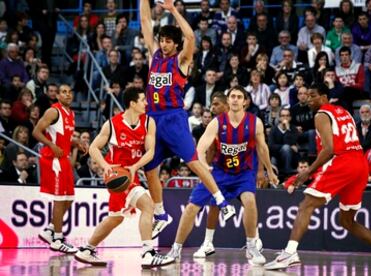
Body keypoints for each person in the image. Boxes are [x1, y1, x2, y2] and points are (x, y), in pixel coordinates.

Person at [264, 83, 371, 272]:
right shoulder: (344, 112)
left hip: (343, 162)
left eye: (313, 95)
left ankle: (289, 253)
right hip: (359, 164)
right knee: (346, 221)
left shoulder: (321, 114)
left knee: (306, 205)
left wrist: (307, 172)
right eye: (307, 96)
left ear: (324, 97)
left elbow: (329, 150)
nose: (309, 99)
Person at [140, 0, 235, 239]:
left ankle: (221, 200)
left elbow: (191, 38)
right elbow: (144, 22)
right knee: (150, 168)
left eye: (168, 41)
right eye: (161, 40)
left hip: (173, 118)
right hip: (152, 119)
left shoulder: (181, 61)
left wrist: (173, 10)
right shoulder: (154, 57)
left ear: (175, 44)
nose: (162, 44)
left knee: (193, 161)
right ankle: (161, 214)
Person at [166, 86, 278, 265]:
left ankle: (252, 246)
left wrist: (269, 172)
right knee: (191, 207)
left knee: (249, 201)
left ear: (245, 101)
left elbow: (262, 148)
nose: (235, 99)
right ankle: (175, 249)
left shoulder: (255, 122)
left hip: (243, 172)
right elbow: (200, 148)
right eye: (232, 96)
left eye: (238, 97)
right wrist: (203, 166)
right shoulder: (217, 122)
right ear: (229, 100)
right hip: (219, 172)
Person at [74, 87, 174, 268]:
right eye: (143, 100)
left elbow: (150, 151)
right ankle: (147, 253)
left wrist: (136, 166)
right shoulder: (112, 124)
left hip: (131, 173)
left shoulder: (148, 122)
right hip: (119, 176)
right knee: (148, 205)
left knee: (115, 218)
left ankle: (87, 250)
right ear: (132, 103)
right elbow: (94, 148)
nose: (146, 103)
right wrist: (105, 167)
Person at [33, 84, 79, 253]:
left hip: (64, 158)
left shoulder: (71, 114)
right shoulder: (53, 111)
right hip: (53, 159)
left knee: (69, 198)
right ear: (58, 96)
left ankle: (50, 229)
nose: (68, 94)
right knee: (59, 200)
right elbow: (36, 132)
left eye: (70, 92)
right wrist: (51, 145)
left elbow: (65, 137)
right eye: (64, 92)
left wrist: (76, 143)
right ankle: (58, 240)